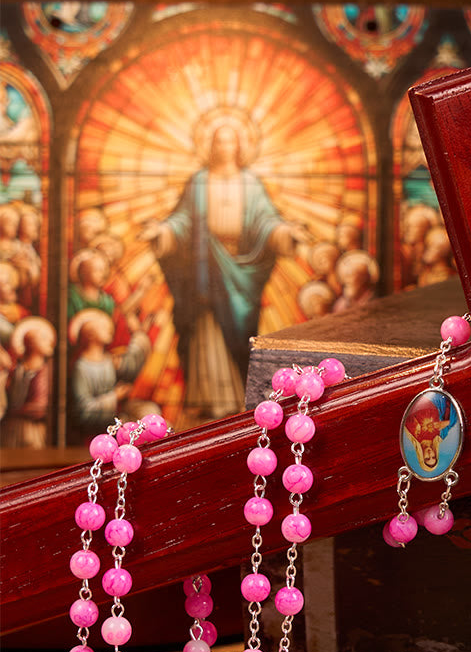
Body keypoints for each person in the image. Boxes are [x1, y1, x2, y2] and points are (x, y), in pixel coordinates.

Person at [139, 124, 307, 418]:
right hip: (204, 267)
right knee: (205, 328)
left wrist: (284, 233)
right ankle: (204, 400)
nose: (224, 148)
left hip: (239, 274)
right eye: (218, 142)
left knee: (239, 333)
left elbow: (266, 221)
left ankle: (236, 404)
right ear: (210, 146)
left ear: (239, 146)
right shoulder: (199, 181)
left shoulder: (251, 183)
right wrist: (163, 232)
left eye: (229, 142)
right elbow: (182, 221)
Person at [68, 308, 151, 439]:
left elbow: (134, 359)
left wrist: (138, 333)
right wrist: (115, 396)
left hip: (115, 419)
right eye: (104, 327)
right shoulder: (81, 367)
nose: (110, 330)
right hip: (97, 433)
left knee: (149, 411)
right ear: (90, 334)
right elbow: (83, 411)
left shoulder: (110, 360)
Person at [2, 316, 56, 449]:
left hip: (35, 430)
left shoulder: (47, 370)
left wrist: (16, 410)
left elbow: (41, 408)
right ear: (30, 343)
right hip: (13, 429)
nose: (49, 342)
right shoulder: (17, 370)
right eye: (43, 339)